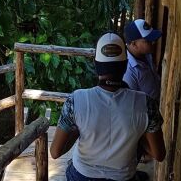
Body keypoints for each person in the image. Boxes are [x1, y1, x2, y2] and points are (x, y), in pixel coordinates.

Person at [50, 32, 166, 181]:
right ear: (125, 66)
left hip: (82, 175)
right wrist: (137, 135)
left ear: (96, 65)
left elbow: (55, 152)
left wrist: (77, 132)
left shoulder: (75, 100)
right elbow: (159, 155)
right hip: (123, 177)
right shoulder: (146, 104)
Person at [123, 19, 162, 102]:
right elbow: (131, 103)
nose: (152, 42)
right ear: (134, 44)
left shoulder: (146, 54)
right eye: (147, 41)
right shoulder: (128, 71)